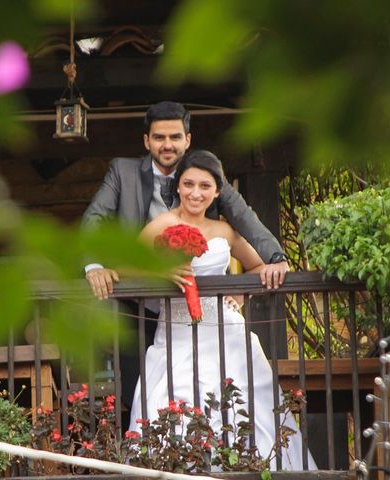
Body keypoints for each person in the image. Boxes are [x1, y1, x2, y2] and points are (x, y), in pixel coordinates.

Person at [82, 101, 289, 419]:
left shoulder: (205, 173)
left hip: (206, 315)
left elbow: (244, 218)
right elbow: (95, 217)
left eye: (175, 137)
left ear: (187, 140)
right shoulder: (122, 172)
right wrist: (95, 265)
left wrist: (275, 257)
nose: (168, 145)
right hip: (139, 308)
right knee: (142, 396)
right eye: (160, 137)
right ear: (147, 140)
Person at [125, 150, 316, 470]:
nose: (195, 192)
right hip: (177, 333)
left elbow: (256, 265)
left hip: (225, 331)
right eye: (188, 184)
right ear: (178, 186)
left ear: (216, 191)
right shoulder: (161, 225)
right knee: (174, 403)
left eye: (204, 185)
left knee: (242, 406)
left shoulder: (226, 230)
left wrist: (239, 296)